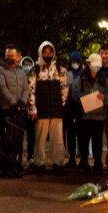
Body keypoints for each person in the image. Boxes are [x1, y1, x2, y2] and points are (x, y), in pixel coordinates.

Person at [29, 41, 68, 172]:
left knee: (58, 139)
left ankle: (58, 163)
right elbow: (31, 90)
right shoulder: (35, 69)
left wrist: (61, 104)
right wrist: (32, 108)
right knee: (40, 139)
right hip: (42, 109)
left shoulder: (60, 69)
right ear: (41, 53)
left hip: (56, 109)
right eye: (45, 52)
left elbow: (64, 89)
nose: (47, 54)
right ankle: (39, 163)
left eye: (49, 52)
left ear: (53, 53)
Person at [0, 45, 30, 177]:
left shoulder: (21, 72)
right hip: (6, 110)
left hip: (19, 110)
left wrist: (22, 102)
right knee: (6, 140)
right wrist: (14, 103)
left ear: (18, 56)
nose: (10, 58)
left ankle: (16, 165)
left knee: (18, 140)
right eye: (7, 56)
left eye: (12, 56)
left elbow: (26, 89)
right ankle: (5, 167)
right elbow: (2, 89)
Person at [78, 53, 108, 175]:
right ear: (88, 64)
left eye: (98, 66)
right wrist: (84, 98)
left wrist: (104, 98)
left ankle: (97, 164)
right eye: (94, 65)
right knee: (84, 141)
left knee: (98, 141)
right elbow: (76, 94)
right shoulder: (82, 78)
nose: (96, 68)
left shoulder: (104, 79)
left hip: (99, 116)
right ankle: (84, 163)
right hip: (85, 115)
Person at [64, 51, 84, 168]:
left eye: (76, 61)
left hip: (80, 107)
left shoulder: (83, 73)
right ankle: (72, 157)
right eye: (72, 61)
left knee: (81, 134)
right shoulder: (67, 73)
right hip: (69, 107)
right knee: (70, 134)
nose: (74, 64)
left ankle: (82, 158)